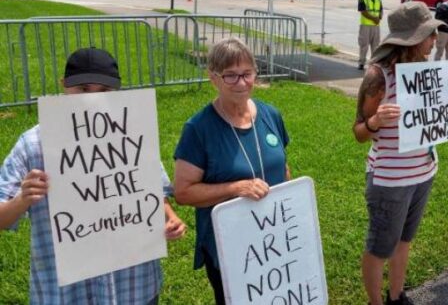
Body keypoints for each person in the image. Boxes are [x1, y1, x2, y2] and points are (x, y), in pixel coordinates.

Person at [0, 48, 186, 304]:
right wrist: (22, 199)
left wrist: (170, 218)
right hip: (66, 292)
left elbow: (152, 190)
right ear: (64, 86)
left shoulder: (132, 134)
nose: (92, 99)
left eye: (103, 92)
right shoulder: (34, 144)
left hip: (133, 287)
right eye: (83, 89)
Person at [353, 1, 448, 305]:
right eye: (430, 36)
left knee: (404, 240)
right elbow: (358, 132)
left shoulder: (428, 72)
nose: (435, 41)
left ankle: (396, 295)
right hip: (390, 180)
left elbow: (439, 112)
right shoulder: (378, 76)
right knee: (380, 247)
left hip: (424, 172)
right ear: (411, 39)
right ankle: (375, 302)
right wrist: (375, 121)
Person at [173, 38, 291, 305]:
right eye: (230, 76)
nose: (241, 83)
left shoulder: (271, 114)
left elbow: (282, 167)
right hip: (230, 245)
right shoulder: (198, 129)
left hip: (273, 240)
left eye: (247, 74)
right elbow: (183, 192)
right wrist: (237, 188)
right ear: (213, 78)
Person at [358, 0, 383, 70]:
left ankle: (374, 63)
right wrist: (374, 19)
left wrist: (380, 17)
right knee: (364, 45)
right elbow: (363, 12)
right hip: (366, 25)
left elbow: (380, 9)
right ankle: (361, 63)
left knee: (376, 45)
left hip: (376, 25)